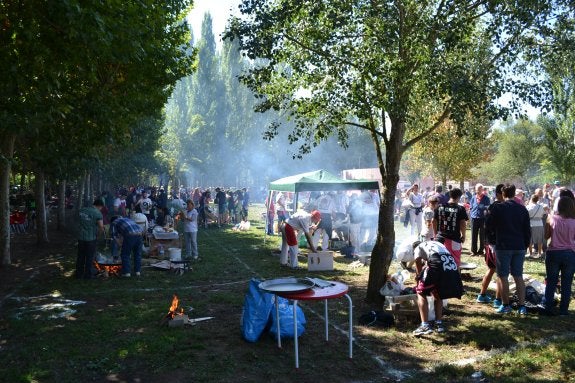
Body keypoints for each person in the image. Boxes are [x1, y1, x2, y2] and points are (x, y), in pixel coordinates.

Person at [485, 184, 531, 315]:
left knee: (503, 276)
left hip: (503, 246)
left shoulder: (497, 208)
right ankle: (522, 306)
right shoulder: (522, 209)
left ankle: (506, 305)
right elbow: (527, 230)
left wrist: (492, 242)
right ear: (514, 193)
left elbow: (488, 226)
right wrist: (525, 244)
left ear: (502, 193)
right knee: (518, 276)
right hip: (519, 246)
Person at [412, 240, 464, 336]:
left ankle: (424, 325)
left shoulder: (418, 248)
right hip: (451, 265)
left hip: (437, 262)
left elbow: (418, 264)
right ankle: (439, 324)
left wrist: (418, 279)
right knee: (438, 292)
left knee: (420, 292)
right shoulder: (435, 244)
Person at [541, 196, 575, 316]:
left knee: (551, 281)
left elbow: (546, 236)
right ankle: (563, 310)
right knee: (567, 282)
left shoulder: (551, 218)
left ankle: (548, 307)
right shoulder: (574, 221)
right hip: (570, 253)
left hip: (554, 252)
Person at [476, 183, 504, 305]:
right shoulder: (496, 207)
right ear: (499, 194)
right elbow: (487, 226)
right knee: (499, 271)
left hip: (492, 243)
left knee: (492, 269)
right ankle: (497, 300)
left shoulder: (494, 207)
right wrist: (491, 243)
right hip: (495, 243)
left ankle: (482, 295)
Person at [432, 188, 468, 266]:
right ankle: (455, 278)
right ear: (458, 197)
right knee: (455, 263)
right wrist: (464, 235)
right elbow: (463, 223)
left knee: (440, 262)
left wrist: (435, 234)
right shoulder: (460, 208)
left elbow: (434, 221)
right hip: (454, 239)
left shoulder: (440, 207)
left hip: (440, 239)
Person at [76, 199, 104, 279]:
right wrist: (98, 236)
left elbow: (78, 221)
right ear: (99, 206)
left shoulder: (81, 210)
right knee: (90, 257)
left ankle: (79, 274)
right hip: (91, 238)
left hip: (81, 237)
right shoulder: (97, 213)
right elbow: (101, 227)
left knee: (80, 256)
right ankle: (88, 275)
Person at [469, 183, 490, 256]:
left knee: (482, 235)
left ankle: (481, 251)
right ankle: (473, 251)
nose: (477, 191)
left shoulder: (486, 198)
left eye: (479, 189)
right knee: (473, 235)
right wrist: (471, 214)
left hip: (483, 219)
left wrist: (484, 208)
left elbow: (488, 208)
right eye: (476, 189)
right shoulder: (473, 197)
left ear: (482, 190)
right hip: (474, 218)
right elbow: (471, 207)